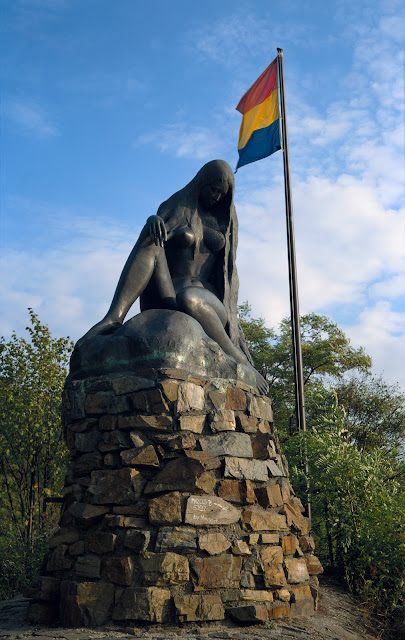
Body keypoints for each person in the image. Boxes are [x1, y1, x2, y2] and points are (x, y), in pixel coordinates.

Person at [77, 159, 268, 394]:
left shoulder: (224, 220)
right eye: (212, 189)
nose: (216, 196)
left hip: (206, 301)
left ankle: (237, 358)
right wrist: (154, 221)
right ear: (201, 183)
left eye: (222, 193)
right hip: (169, 294)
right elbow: (155, 248)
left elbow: (228, 275)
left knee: (190, 298)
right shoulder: (177, 206)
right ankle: (113, 317)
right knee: (150, 236)